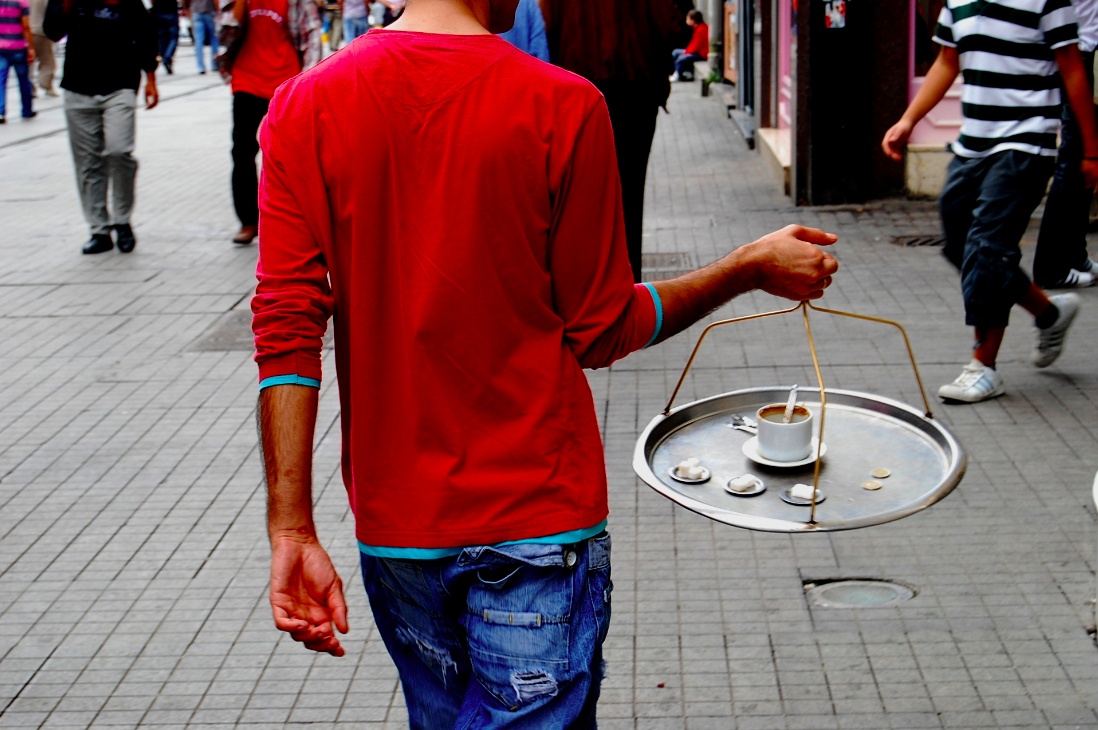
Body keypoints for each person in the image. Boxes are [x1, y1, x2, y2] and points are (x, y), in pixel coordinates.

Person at [252, 0, 838, 727]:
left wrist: (292, 529)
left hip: (397, 528)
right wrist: (743, 268)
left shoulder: (303, 107)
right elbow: (604, 328)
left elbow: (285, 328)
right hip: (537, 520)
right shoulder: (563, 105)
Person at [882, 0, 1098, 403]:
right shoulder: (958, 1)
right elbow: (948, 61)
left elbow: (1072, 66)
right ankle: (1049, 313)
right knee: (960, 245)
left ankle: (984, 366)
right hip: (973, 145)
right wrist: (909, 119)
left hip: (1027, 143)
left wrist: (1090, 151)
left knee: (989, 249)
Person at [542, 0, 683, 283]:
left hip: (576, 87)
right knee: (630, 196)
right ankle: (628, 290)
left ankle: (586, 290)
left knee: (579, 200)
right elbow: (672, 28)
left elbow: (548, 27)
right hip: (636, 90)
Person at [45, 0, 157, 254]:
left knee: (119, 151)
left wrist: (151, 78)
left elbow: (145, 30)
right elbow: (52, 31)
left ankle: (122, 220)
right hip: (77, 84)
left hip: (120, 83)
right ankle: (99, 228)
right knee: (87, 162)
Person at [229, 0, 319, 244]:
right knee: (242, 151)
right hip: (246, 80)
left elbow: (311, 36)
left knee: (294, 155)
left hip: (285, 82)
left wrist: (306, 83)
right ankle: (248, 221)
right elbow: (224, 31)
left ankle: (301, 221)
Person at [1033, 0, 1098, 289]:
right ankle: (1051, 268)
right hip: (1079, 51)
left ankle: (1074, 254)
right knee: (1075, 157)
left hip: (1085, 49)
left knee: (1085, 160)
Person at [0, 0, 36, 123]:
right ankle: (27, 110)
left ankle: (0, 112)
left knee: (1, 80)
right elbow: (25, 26)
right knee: (24, 80)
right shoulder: (22, 2)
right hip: (18, 47)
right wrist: (31, 47)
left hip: (1, 47)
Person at [670, 8, 706, 82]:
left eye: (688, 18)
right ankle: (678, 72)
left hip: (701, 54)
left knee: (682, 58)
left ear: (693, 20)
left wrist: (686, 53)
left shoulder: (701, 29)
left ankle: (678, 74)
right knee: (676, 52)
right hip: (697, 51)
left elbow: (696, 45)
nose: (686, 20)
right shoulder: (698, 28)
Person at [183, 0, 218, 74]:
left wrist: (186, 8)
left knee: (198, 40)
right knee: (214, 38)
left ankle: (200, 66)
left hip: (196, 11)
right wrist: (218, 11)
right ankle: (214, 64)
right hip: (209, 11)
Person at [29, 0, 55, 95]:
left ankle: (30, 87)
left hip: (28, 30)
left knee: (30, 61)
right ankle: (46, 85)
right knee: (47, 61)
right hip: (42, 31)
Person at [153, 0, 179, 74]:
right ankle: (168, 56)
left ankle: (164, 57)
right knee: (173, 37)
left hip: (159, 11)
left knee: (162, 37)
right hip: (171, 10)